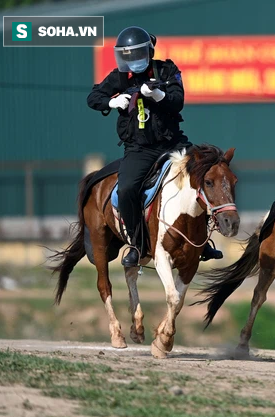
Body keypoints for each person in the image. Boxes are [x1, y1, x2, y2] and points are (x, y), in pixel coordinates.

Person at [87, 25, 222, 267]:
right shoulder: (118, 77)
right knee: (127, 189)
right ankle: (138, 246)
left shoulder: (166, 69)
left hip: (172, 143)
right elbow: (93, 98)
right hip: (139, 149)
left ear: (148, 52)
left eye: (137, 54)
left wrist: (158, 95)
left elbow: (177, 100)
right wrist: (113, 100)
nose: (133, 60)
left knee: (205, 173)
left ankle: (204, 242)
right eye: (127, 55)